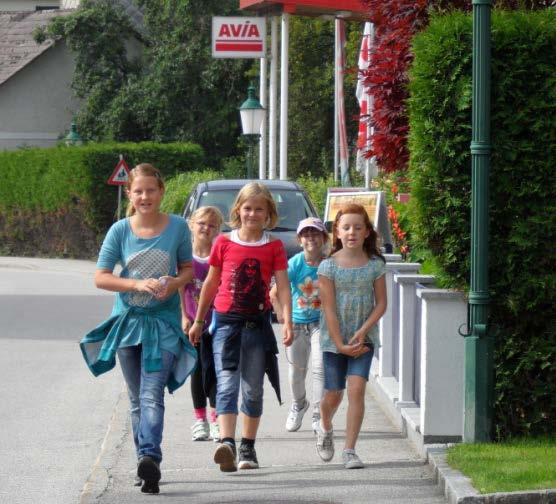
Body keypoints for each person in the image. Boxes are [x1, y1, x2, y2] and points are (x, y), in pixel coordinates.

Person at [80, 163, 197, 494]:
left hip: (164, 324)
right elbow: (101, 277)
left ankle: (149, 457)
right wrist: (135, 284)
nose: (145, 196)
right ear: (129, 194)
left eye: (151, 190)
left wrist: (174, 283)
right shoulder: (119, 231)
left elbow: (188, 269)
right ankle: (144, 464)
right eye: (139, 191)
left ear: (161, 192)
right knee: (136, 397)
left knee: (151, 392)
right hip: (128, 324)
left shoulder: (177, 227)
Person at [188, 182, 293, 472]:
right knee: (226, 383)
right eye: (247, 208)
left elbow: (283, 286)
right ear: (238, 210)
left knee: (253, 389)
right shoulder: (223, 242)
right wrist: (198, 320)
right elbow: (210, 283)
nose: (252, 214)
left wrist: (288, 320)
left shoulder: (274, 246)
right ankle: (227, 443)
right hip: (225, 325)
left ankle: (247, 446)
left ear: (268, 213)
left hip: (257, 326)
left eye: (259, 209)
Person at [315, 203, 387, 469]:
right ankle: (324, 424)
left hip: (362, 340)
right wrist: (340, 344)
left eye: (358, 227)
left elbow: (381, 304)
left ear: (367, 232)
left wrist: (362, 331)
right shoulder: (327, 267)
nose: (352, 232)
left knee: (357, 389)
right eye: (346, 227)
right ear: (337, 232)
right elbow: (329, 308)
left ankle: (350, 450)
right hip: (334, 340)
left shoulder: (375, 265)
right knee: (334, 394)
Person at [270, 217, 328, 434]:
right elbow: (275, 292)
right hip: (296, 323)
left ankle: (317, 413)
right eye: (306, 234)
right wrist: (282, 317)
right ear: (300, 239)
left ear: (323, 237)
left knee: (320, 368)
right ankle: (299, 404)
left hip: (321, 324)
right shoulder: (294, 263)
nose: (311, 238)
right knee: (296, 374)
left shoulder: (329, 264)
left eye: (315, 233)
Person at [180, 206, 223, 442]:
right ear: (192, 224)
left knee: (215, 371)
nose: (206, 228)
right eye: (202, 223)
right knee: (196, 370)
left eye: (212, 225)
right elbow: (179, 287)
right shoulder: (184, 255)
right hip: (192, 322)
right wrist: (183, 317)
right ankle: (200, 420)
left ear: (218, 229)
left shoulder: (219, 253)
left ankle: (216, 419)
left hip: (216, 322)